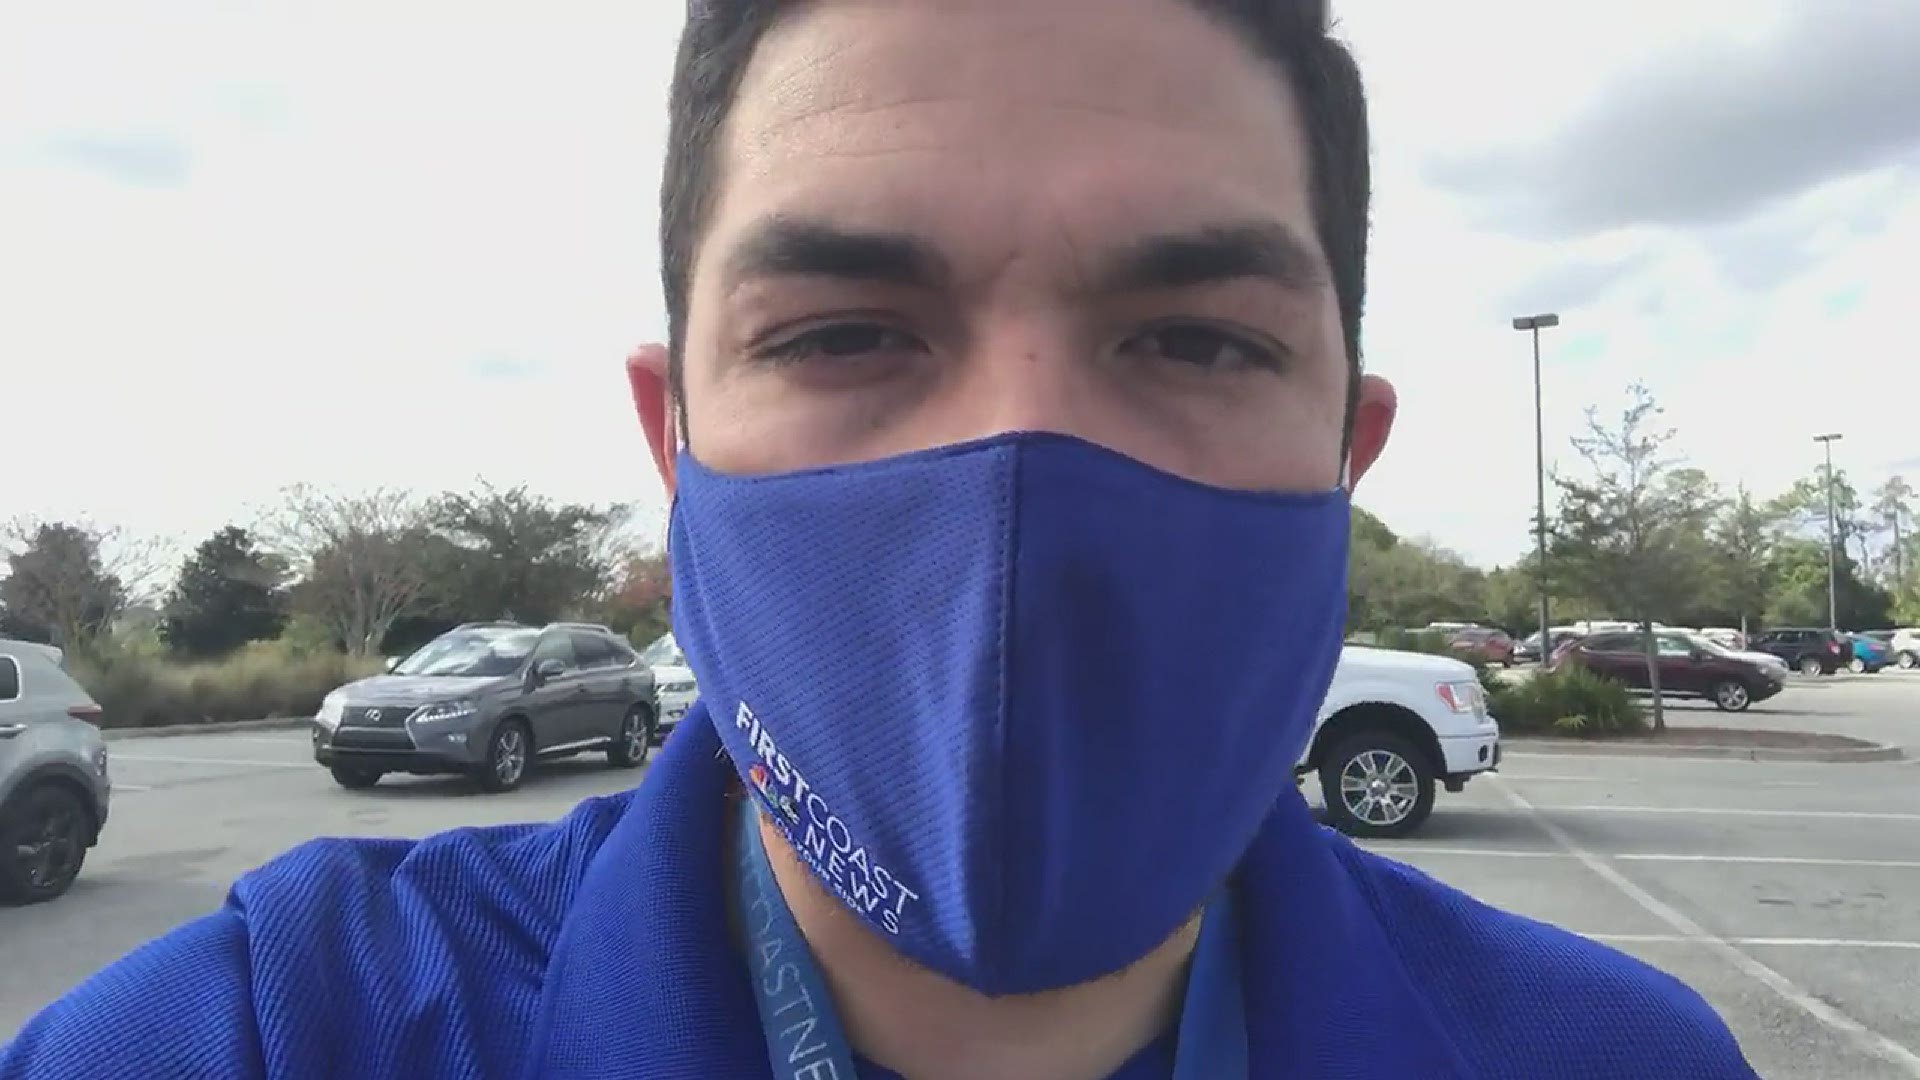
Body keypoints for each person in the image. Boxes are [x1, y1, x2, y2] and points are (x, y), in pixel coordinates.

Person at [3, 2, 1758, 1077]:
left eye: (1199, 339)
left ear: (1347, 449)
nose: (1015, 464)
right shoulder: (257, 1042)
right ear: (669, 439)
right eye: (844, 332)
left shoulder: (1615, 1062)